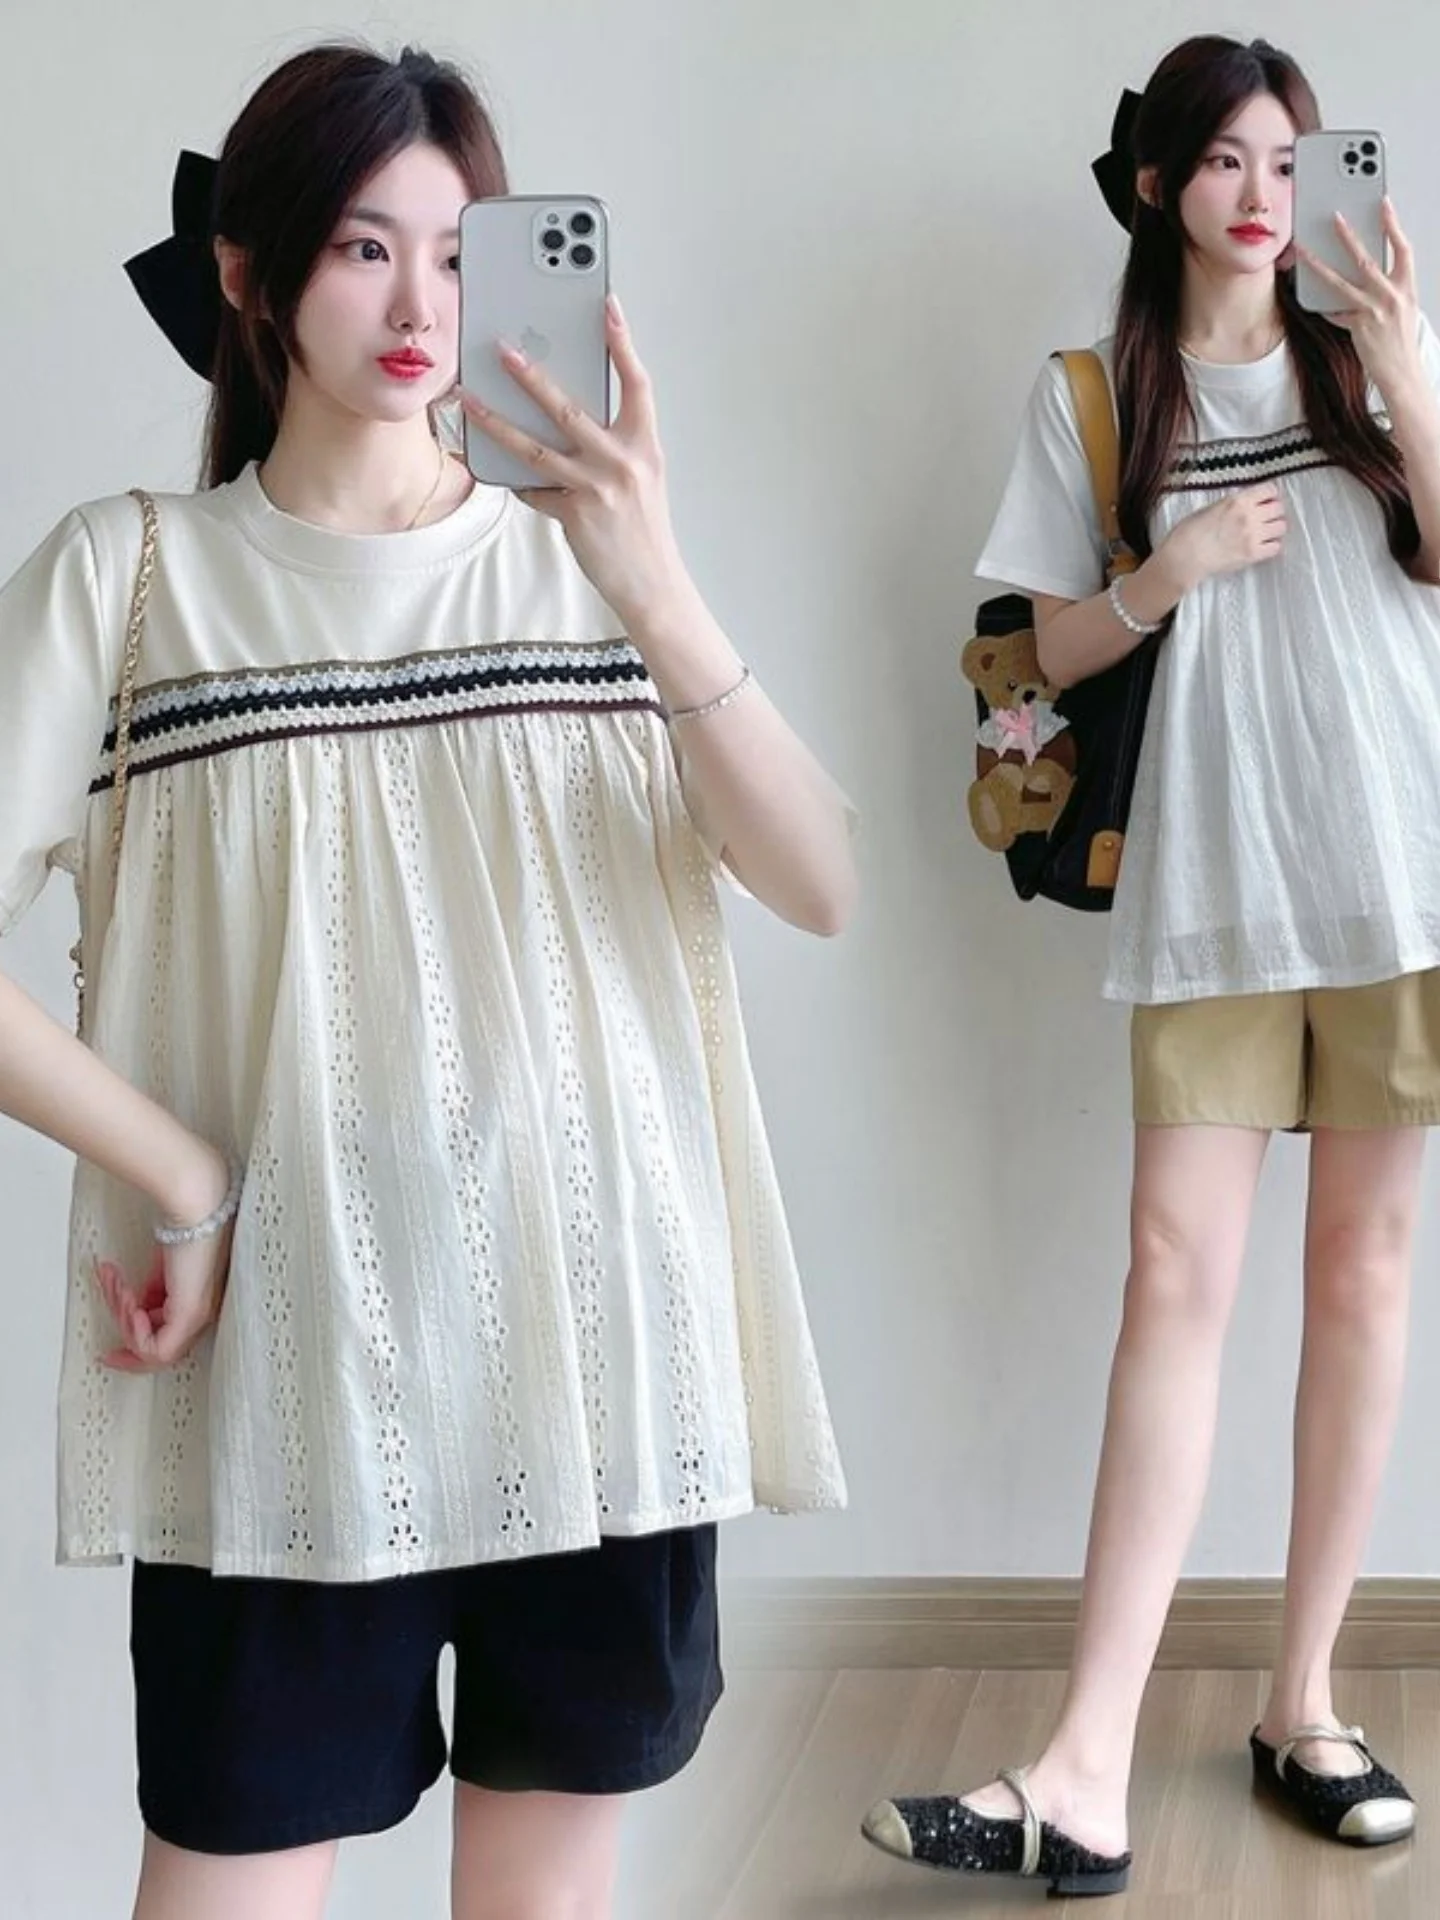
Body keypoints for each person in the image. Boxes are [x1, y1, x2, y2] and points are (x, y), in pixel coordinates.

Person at [0, 40, 855, 1920]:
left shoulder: (587, 568)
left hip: (594, 1359)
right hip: (285, 1382)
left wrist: (649, 576)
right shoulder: (133, 583)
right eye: (363, 249)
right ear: (249, 274)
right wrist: (180, 1170)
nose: (419, 307)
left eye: (462, 256)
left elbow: (821, 880)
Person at [864, 32, 1440, 1897]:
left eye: (1287, 157)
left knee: (1362, 1273)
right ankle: (1086, 1766)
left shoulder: (1371, 359)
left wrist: (1411, 365)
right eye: (1223, 159)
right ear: (1155, 185)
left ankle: (1305, 1701)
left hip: (1402, 870)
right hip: (1214, 879)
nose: (1261, 192)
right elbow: (1045, 648)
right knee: (1174, 1276)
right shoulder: (1099, 393)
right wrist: (1169, 572)